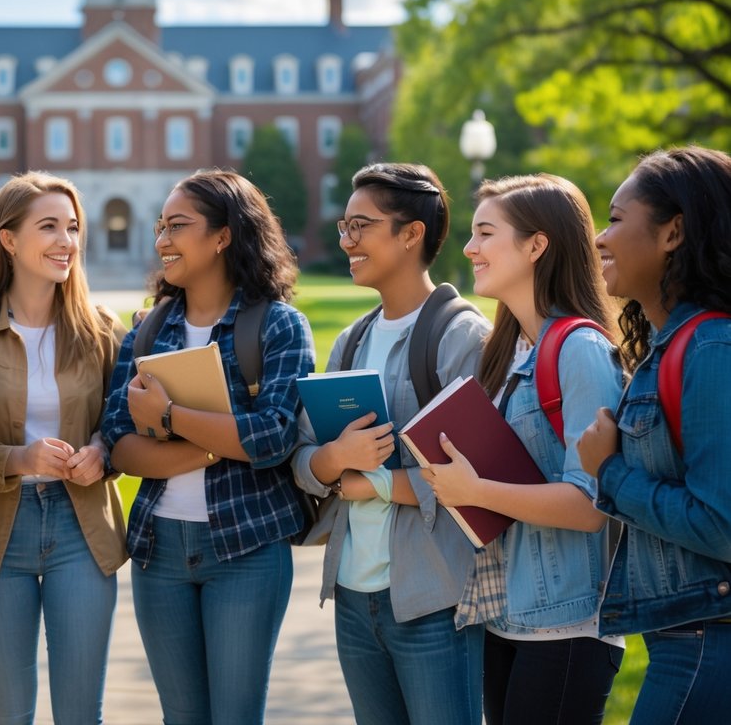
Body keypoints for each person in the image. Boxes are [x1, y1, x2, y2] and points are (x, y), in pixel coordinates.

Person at [100, 168, 314, 724]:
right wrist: (217, 442)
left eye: (178, 226)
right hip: (159, 549)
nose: (162, 240)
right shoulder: (147, 330)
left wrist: (170, 417)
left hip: (247, 551)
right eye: (160, 226)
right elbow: (121, 446)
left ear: (222, 236)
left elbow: (272, 439)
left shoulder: (278, 327)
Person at [292, 162, 490, 725]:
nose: (347, 240)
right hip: (353, 598)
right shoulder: (352, 341)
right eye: (344, 227)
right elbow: (304, 459)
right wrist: (334, 460)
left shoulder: (462, 338)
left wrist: (368, 480)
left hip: (433, 599)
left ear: (411, 234)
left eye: (361, 225)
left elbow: (476, 484)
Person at [422, 174, 624, 724]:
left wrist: (476, 490)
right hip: (503, 615)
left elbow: (590, 505)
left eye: (485, 233)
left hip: (565, 626)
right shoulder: (508, 352)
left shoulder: (581, 350)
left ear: (536, 245)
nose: (469, 248)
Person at [0, 171, 127, 724]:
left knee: (81, 712)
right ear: (8, 239)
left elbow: (121, 423)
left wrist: (101, 451)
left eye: (73, 227)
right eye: (49, 226)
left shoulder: (101, 329)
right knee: (7, 713)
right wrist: (19, 459)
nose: (67, 242)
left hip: (83, 529)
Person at [577, 147, 731, 723]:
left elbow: (721, 523)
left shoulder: (711, 348)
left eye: (616, 219)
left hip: (707, 644)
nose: (599, 238)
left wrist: (609, 471)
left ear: (673, 233)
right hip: (683, 639)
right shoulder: (673, 348)